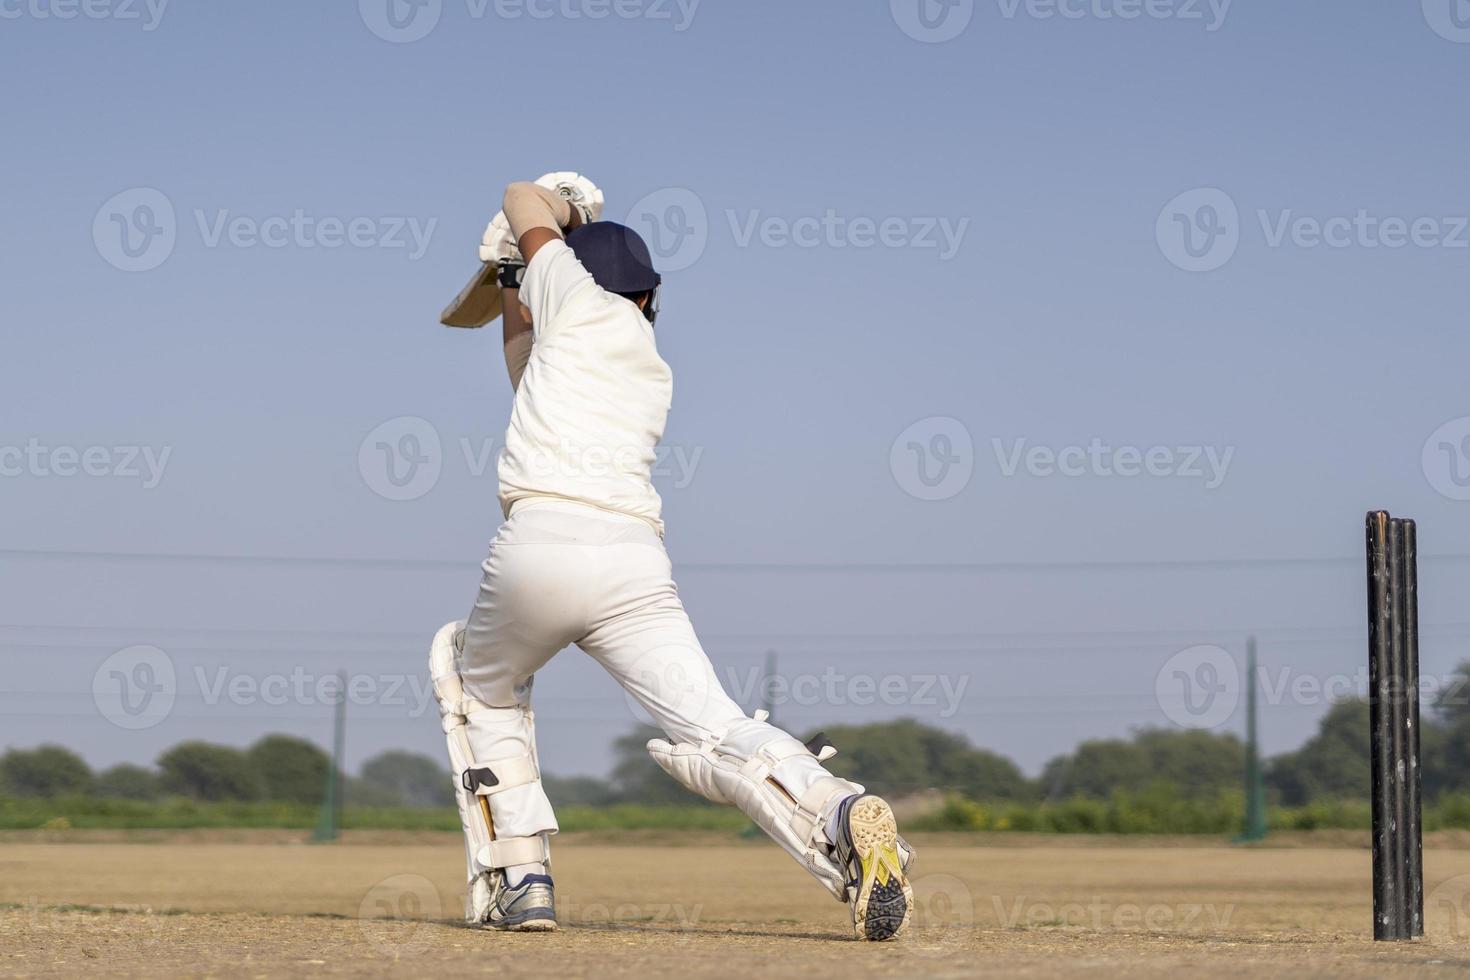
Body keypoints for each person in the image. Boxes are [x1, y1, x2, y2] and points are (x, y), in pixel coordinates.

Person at [429, 173, 914, 940]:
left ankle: (520, 877)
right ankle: (838, 810)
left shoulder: (577, 299)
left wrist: (558, 216)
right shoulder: (647, 363)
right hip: (631, 563)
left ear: (572, 273)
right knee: (713, 724)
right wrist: (517, 281)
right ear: (650, 298)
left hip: (541, 545)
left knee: (477, 685)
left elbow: (520, 193)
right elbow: (526, 367)